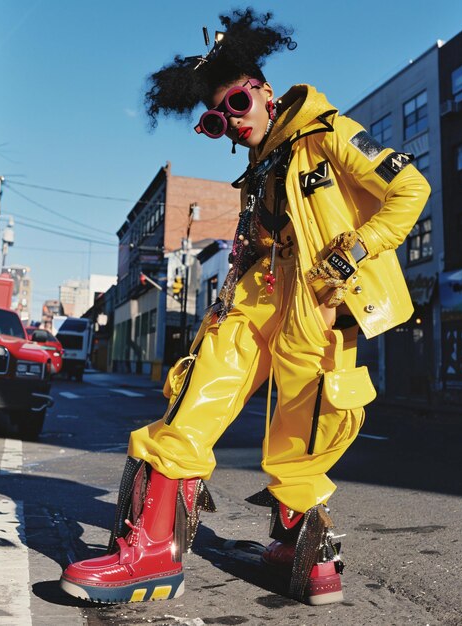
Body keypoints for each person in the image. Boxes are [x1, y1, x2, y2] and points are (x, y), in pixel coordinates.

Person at [60, 9, 430, 606]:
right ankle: (151, 551)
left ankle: (304, 554)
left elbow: (411, 189)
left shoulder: (327, 131)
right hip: (258, 293)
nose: (230, 123)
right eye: (214, 121)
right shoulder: (256, 170)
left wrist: (355, 250)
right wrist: (225, 297)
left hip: (316, 293)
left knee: (305, 424)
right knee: (197, 392)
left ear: (263, 90)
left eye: (236, 104)